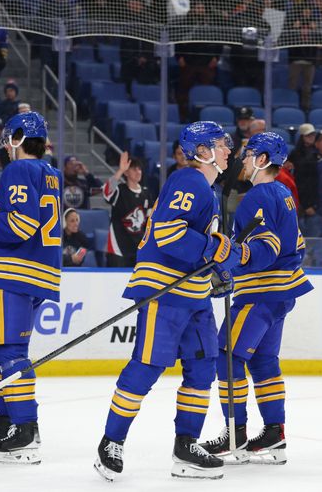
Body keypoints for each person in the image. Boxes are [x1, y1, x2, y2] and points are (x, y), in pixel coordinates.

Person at [94, 121, 239, 482]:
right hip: (165, 290)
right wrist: (214, 249)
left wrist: (216, 271)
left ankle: (186, 445)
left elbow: (196, 245)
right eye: (221, 144)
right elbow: (169, 233)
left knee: (203, 367)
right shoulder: (189, 180)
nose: (228, 150)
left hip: (194, 294)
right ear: (202, 151)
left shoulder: (207, 189)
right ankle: (111, 442)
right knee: (147, 366)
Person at [200, 132, 313, 466]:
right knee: (264, 361)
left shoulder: (256, 196)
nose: (242, 160)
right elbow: (295, 245)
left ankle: (234, 434)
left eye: (248, 154)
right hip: (281, 293)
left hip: (260, 294)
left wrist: (228, 262)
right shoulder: (283, 193)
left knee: (227, 356)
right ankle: (274, 434)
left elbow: (265, 248)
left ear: (263, 160)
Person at [0, 112, 63, 464]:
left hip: (15, 273)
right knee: (5, 350)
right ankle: (7, 422)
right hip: (40, 272)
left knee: (9, 350)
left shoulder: (19, 169)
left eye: (9, 140)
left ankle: (25, 429)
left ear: (19, 138)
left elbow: (20, 225)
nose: (6, 147)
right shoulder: (51, 173)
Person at [102, 151, 152, 267]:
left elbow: (150, 221)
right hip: (118, 249)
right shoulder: (120, 190)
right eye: (134, 169)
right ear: (126, 173)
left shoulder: (146, 193)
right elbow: (106, 192)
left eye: (139, 169)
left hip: (138, 248)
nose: (138, 172)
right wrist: (120, 170)